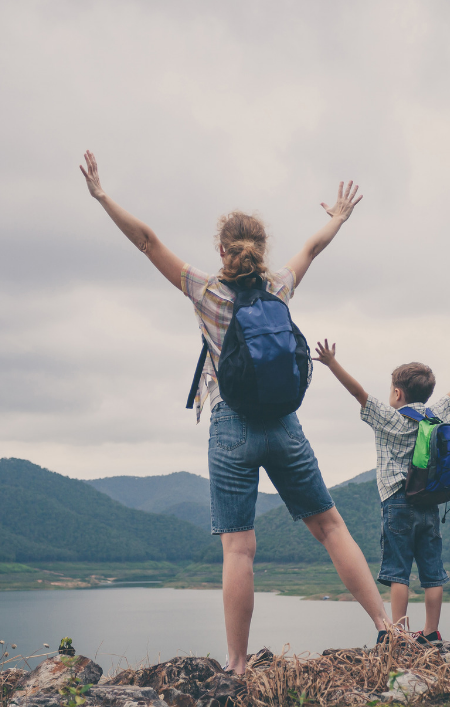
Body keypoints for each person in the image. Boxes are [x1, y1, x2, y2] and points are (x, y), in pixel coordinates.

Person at [79, 150, 389, 673]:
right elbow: (313, 247)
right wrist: (338, 215)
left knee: (239, 549)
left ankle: (239, 665)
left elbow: (148, 241)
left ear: (222, 250)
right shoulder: (279, 288)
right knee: (332, 527)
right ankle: (387, 629)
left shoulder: (207, 293)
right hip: (284, 424)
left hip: (230, 426)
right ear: (262, 250)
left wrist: (102, 196)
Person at [313, 339, 450, 644]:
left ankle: (399, 632)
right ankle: (431, 632)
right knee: (432, 572)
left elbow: (358, 393)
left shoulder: (389, 419)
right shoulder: (434, 414)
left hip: (397, 503)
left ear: (397, 393)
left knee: (398, 572)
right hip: (429, 501)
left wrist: (331, 363)